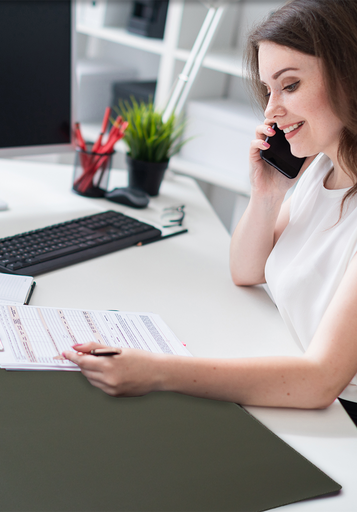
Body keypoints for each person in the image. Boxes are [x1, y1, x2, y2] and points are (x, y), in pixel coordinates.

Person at [63, 0, 357, 425]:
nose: (271, 110)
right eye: (268, 90)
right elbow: (246, 269)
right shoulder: (323, 169)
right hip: (289, 374)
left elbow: (319, 381)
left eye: (289, 86)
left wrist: (157, 371)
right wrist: (267, 193)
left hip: (339, 420)